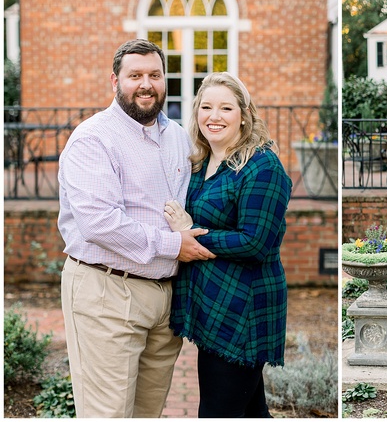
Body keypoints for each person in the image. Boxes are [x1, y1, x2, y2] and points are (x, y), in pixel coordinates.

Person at [58, 39, 216, 418]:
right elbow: (99, 223)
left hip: (165, 301)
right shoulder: (93, 138)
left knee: (147, 412)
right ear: (115, 80)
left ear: (165, 80)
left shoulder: (178, 136)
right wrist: (173, 244)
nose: (146, 84)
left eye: (155, 75)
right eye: (135, 75)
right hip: (107, 292)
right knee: (108, 414)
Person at [163, 72, 292, 418]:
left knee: (218, 412)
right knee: (249, 411)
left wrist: (193, 233)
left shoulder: (262, 166)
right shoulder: (201, 162)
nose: (214, 116)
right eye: (206, 107)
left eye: (225, 108)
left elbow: (256, 242)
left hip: (244, 311)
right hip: (214, 305)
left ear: (244, 115)